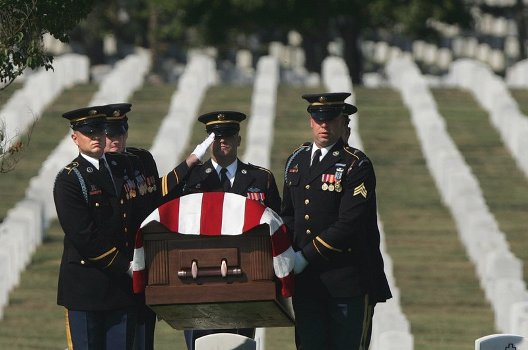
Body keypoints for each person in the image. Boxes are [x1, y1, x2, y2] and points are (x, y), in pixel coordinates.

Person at [281, 92, 392, 350]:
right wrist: (284, 251)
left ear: (343, 123)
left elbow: (348, 224)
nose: (324, 125)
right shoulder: (296, 161)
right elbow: (288, 213)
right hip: (308, 284)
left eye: (331, 120)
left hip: (346, 281)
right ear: (310, 121)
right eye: (318, 119)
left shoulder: (356, 165)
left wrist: (304, 256)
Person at [101, 102, 214, 350]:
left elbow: (158, 197)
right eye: (109, 134)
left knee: (142, 341)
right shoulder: (96, 170)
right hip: (111, 270)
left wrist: (190, 162)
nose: (115, 140)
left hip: (142, 266)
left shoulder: (140, 160)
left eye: (119, 133)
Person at [181, 110, 281, 350]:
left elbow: (278, 224)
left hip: (245, 278)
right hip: (201, 280)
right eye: (216, 135)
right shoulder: (191, 178)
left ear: (239, 139)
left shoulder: (261, 178)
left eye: (229, 134)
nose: (223, 140)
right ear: (209, 141)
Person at [54, 105, 142, 349]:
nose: (96, 137)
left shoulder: (121, 167)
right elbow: (84, 235)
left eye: (100, 132)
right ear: (75, 138)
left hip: (121, 291)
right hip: (87, 289)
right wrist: (125, 266)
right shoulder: (69, 179)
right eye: (88, 133)